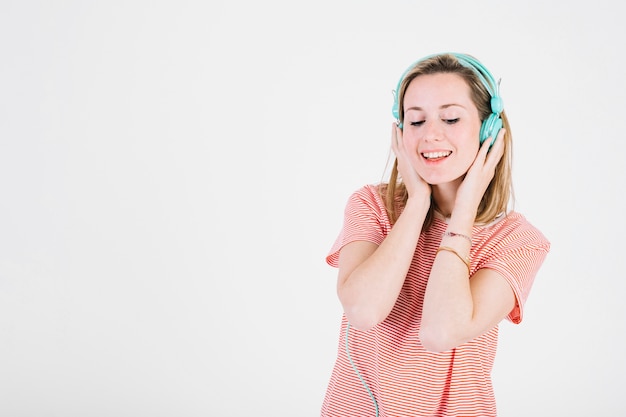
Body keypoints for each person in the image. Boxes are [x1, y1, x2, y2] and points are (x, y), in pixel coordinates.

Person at [320, 52, 550, 417]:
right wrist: (415, 206)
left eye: (451, 118)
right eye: (416, 120)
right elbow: (363, 310)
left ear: (489, 130)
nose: (430, 135)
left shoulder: (517, 240)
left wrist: (464, 211)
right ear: (400, 132)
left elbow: (440, 333)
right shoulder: (371, 206)